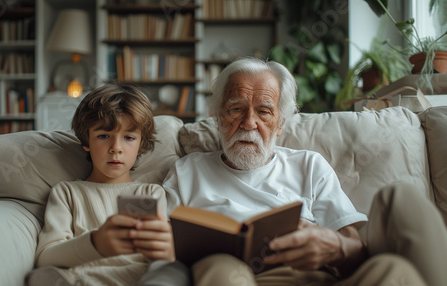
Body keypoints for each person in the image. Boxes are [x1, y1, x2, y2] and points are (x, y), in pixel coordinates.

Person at [140, 57, 447, 286]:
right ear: (219, 117)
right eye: (236, 109)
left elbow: (353, 244)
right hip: (231, 276)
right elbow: (164, 250)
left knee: (396, 271)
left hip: (312, 277)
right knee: (221, 270)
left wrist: (335, 248)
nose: (249, 123)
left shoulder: (309, 165)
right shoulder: (186, 170)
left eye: (263, 111)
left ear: (281, 123)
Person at [25, 80, 176, 286]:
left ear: (141, 145)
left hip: (137, 278)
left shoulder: (151, 193)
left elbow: (159, 256)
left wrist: (166, 250)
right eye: (104, 136)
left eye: (129, 138)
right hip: (82, 278)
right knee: (42, 278)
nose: (116, 148)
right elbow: (45, 257)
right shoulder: (67, 193)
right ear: (86, 141)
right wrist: (96, 243)